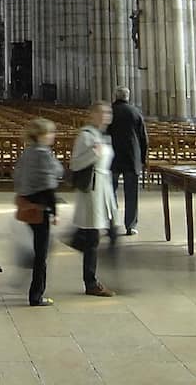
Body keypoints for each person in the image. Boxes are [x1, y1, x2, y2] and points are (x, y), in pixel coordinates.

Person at [12, 118, 63, 306]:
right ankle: (36, 295)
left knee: (42, 246)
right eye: (50, 133)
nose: (53, 136)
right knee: (42, 253)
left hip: (27, 203)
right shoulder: (43, 154)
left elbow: (17, 175)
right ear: (41, 135)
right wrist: (54, 210)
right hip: (41, 207)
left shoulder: (27, 152)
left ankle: (29, 265)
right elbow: (49, 182)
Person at [70, 102, 118, 297]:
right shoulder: (86, 135)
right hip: (92, 190)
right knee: (92, 236)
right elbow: (74, 163)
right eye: (102, 112)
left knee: (101, 231)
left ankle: (76, 240)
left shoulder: (101, 135)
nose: (106, 115)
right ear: (92, 115)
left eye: (108, 112)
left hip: (103, 188)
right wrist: (93, 153)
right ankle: (90, 282)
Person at [106, 87, 149, 235]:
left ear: (115, 96)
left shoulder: (109, 112)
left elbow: (103, 134)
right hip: (132, 158)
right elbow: (143, 138)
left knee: (110, 193)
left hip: (112, 158)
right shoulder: (135, 112)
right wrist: (142, 159)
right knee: (131, 194)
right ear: (128, 97)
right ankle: (131, 225)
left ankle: (111, 223)